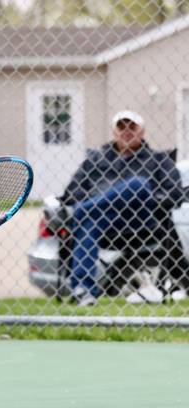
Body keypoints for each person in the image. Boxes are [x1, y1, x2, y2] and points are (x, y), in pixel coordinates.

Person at [61, 110, 185, 306]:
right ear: (114, 132)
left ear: (142, 132)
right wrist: (99, 202)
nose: (126, 131)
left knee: (137, 184)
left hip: (143, 219)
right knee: (90, 222)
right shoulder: (95, 160)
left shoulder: (159, 160)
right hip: (106, 220)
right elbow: (72, 191)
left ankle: (81, 211)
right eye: (121, 127)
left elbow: (175, 194)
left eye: (132, 127)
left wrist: (152, 199)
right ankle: (83, 291)